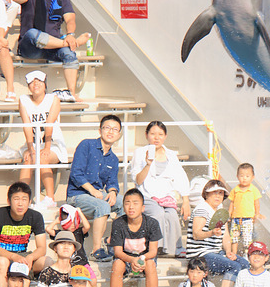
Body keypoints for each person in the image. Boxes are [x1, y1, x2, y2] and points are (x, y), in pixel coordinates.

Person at [11, 0, 90, 103]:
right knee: (32, 33)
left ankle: (71, 93)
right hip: (30, 48)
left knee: (69, 53)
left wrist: (70, 33)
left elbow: (70, 19)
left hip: (52, 47)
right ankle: (67, 42)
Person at [185, 179, 248, 287]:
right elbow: (196, 234)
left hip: (215, 252)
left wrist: (229, 252)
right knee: (234, 267)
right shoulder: (202, 209)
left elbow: (226, 236)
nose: (218, 196)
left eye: (220, 193)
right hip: (200, 254)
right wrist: (211, 233)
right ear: (206, 194)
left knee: (245, 264)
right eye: (214, 193)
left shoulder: (220, 211)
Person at [130, 120, 190, 256]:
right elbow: (138, 180)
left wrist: (185, 200)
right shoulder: (139, 153)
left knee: (172, 216)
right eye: (152, 134)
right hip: (146, 196)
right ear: (146, 135)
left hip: (166, 197)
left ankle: (177, 248)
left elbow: (180, 177)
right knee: (158, 214)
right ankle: (156, 247)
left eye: (160, 134)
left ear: (165, 136)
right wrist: (148, 164)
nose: (156, 138)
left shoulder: (171, 155)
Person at [66, 115, 122, 261]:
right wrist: (92, 190)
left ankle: (112, 242)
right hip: (78, 195)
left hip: (97, 195)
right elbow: (76, 174)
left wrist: (113, 192)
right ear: (100, 130)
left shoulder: (113, 159)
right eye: (107, 128)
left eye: (115, 129)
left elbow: (112, 181)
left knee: (125, 203)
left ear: (119, 134)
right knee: (103, 205)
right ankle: (96, 249)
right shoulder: (87, 145)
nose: (111, 132)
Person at [107, 188, 162, 287]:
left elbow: (153, 251)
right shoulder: (118, 223)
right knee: (117, 264)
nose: (131, 206)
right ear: (124, 206)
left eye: (135, 203)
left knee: (150, 264)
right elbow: (118, 252)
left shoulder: (152, 223)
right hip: (125, 259)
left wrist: (140, 259)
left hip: (145, 258)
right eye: (127, 203)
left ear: (143, 207)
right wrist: (132, 260)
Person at [0, 181, 47, 287]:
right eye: (16, 199)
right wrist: (14, 257)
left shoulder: (36, 216)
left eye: (24, 199)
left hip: (23, 257)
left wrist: (30, 257)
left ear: (29, 202)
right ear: (9, 201)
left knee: (47, 261)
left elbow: (42, 248)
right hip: (0, 257)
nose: (20, 204)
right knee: (2, 262)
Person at [18, 70, 67, 208]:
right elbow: (27, 126)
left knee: (42, 157)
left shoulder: (54, 99)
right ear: (28, 86)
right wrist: (31, 148)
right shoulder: (23, 100)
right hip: (33, 143)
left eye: (39, 81)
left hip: (52, 143)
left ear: (45, 84)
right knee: (28, 158)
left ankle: (50, 198)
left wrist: (46, 147)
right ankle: (22, 197)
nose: (35, 84)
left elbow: (49, 124)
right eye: (32, 82)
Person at [228, 162, 264, 257]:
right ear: (237, 176)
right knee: (234, 238)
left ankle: (247, 254)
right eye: (241, 176)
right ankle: (234, 253)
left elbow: (256, 202)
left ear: (252, 177)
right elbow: (232, 202)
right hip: (235, 218)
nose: (244, 178)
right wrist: (229, 213)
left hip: (247, 219)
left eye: (247, 176)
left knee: (247, 238)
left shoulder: (253, 190)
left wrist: (257, 213)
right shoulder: (235, 190)